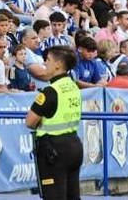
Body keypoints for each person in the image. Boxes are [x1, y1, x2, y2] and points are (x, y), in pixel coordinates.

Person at [24, 45, 84, 200]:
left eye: (48, 60)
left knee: (53, 196)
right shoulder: (73, 86)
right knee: (72, 196)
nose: (45, 63)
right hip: (74, 145)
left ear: (58, 64)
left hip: (54, 150)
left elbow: (30, 121)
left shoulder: (51, 91)